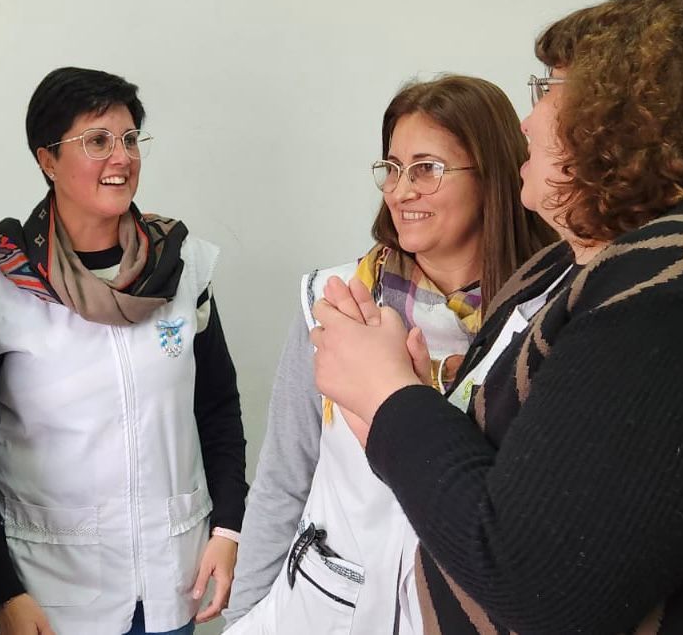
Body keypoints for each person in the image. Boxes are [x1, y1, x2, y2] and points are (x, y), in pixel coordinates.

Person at [312, 0, 683, 633]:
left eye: (550, 89)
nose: (528, 121)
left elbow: (536, 581)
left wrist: (390, 398)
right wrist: (417, 406)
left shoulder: (663, 292)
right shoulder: (559, 269)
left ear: (625, 119)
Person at [223, 76, 555, 634]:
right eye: (393, 169)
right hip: (330, 612)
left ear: (492, 174)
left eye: (427, 169)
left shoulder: (548, 315)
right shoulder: (334, 301)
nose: (401, 191)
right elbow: (284, 477)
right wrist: (244, 617)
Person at [0, 67, 248, 635]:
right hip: (52, 593)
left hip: (173, 580)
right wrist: (2, 591)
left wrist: (228, 529)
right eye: (97, 140)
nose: (121, 157)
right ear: (47, 159)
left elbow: (217, 407)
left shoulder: (182, 267)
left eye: (130, 139)